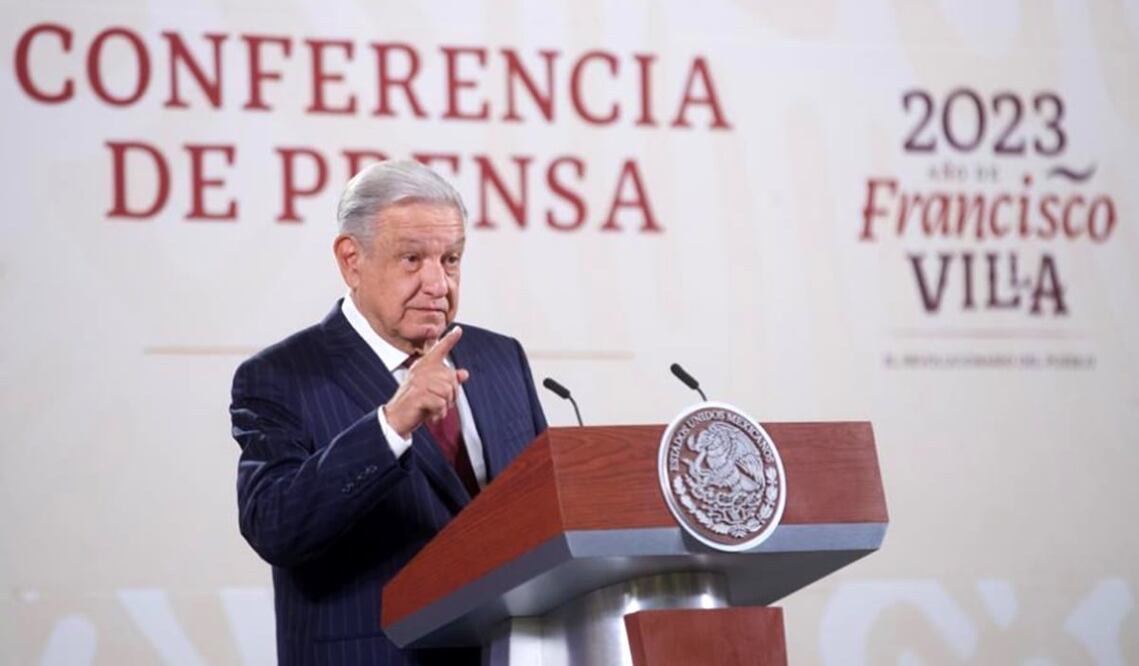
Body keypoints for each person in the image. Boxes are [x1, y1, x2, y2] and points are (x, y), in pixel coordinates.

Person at [229, 159, 548, 665]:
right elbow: (276, 526)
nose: (438, 284)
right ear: (351, 259)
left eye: (451, 259)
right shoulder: (281, 376)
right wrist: (392, 424)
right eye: (412, 259)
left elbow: (541, 516)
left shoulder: (500, 359)